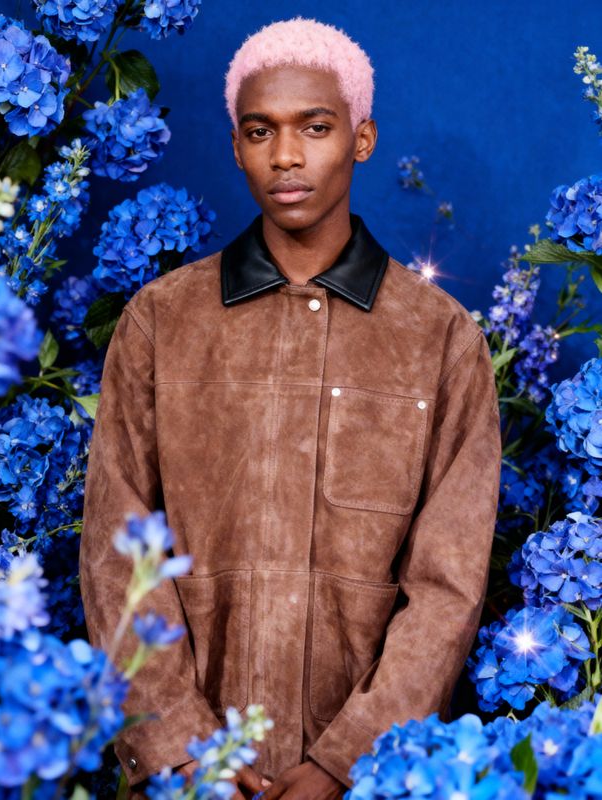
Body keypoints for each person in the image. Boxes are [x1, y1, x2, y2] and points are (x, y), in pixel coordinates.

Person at [79, 16, 502, 800]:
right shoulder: (161, 323)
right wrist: (181, 749)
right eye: (259, 131)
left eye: (315, 127)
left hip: (372, 781)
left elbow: (448, 586)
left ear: (362, 139)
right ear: (236, 147)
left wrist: (352, 759)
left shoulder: (439, 338)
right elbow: (116, 554)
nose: (285, 156)